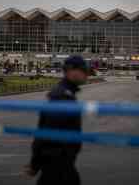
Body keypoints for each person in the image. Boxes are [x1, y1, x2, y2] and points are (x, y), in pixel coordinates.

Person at [24, 55, 88, 185]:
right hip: (57, 162)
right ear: (71, 71)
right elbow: (44, 132)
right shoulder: (61, 97)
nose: (86, 74)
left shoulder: (65, 94)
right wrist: (35, 163)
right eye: (83, 70)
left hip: (61, 162)